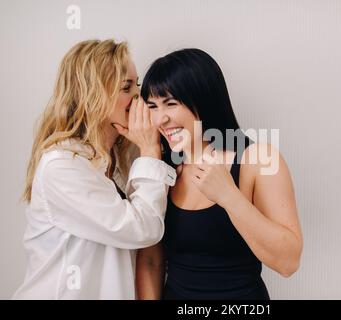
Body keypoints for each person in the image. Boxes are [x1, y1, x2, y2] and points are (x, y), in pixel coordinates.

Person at [13, 39, 176, 299]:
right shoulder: (62, 165)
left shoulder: (125, 153)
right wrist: (150, 151)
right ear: (91, 94)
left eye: (137, 85)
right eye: (125, 87)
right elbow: (143, 229)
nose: (138, 97)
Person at [136, 48, 303, 300]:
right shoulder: (162, 166)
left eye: (171, 103)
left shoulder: (257, 160)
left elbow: (288, 262)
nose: (160, 118)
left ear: (204, 99)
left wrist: (228, 196)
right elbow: (150, 260)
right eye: (153, 106)